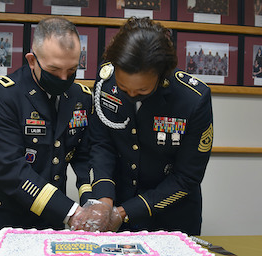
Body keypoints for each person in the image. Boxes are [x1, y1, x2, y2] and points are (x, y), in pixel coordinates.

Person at [0, 17, 96, 234]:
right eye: (54, 70)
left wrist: (91, 202)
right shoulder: (3, 95)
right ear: (32, 60)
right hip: (2, 219)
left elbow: (84, 157)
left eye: (72, 69)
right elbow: (10, 168)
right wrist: (72, 212)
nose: (64, 78)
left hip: (50, 220)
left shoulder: (80, 97)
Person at [89, 17, 213, 235]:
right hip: (116, 212)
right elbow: (102, 144)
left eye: (142, 91)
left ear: (161, 74)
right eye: (124, 88)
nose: (132, 96)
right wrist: (104, 200)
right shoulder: (105, 82)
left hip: (172, 219)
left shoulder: (193, 99)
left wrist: (125, 211)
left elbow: (187, 177)